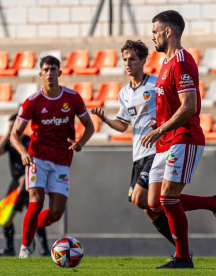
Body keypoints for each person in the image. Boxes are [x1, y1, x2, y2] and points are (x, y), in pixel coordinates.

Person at [141, 10, 216, 269]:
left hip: (184, 138)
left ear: (168, 32)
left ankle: (182, 257)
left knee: (168, 198)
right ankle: (215, 203)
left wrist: (160, 129)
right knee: (154, 202)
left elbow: (189, 106)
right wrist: (158, 125)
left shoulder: (181, 61)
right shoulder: (166, 63)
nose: (153, 37)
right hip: (166, 140)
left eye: (155, 32)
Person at [91, 39, 185, 258]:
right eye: (125, 59)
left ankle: (184, 218)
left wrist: (160, 123)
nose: (128, 63)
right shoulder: (124, 93)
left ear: (144, 60)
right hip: (138, 155)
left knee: (140, 198)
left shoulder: (156, 84)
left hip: (157, 148)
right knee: (147, 207)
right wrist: (106, 120)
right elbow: (123, 125)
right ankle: (181, 247)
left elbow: (175, 108)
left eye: (132, 58)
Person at [10, 55, 94, 258]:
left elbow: (89, 126)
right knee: (36, 200)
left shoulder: (72, 98)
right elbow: (14, 134)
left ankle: (30, 230)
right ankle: (25, 248)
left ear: (60, 73)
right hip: (37, 157)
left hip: (62, 160)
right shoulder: (32, 102)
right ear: (41, 74)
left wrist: (80, 143)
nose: (49, 73)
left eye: (53, 69)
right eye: (46, 70)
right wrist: (23, 152)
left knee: (56, 212)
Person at [0, 114, 50, 256]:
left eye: (14, 125)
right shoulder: (10, 142)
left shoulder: (28, 141)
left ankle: (45, 248)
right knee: (6, 217)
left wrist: (26, 176)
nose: (11, 127)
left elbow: (37, 160)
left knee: (34, 215)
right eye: (9, 125)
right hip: (15, 186)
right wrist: (7, 134)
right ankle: (9, 248)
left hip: (29, 184)